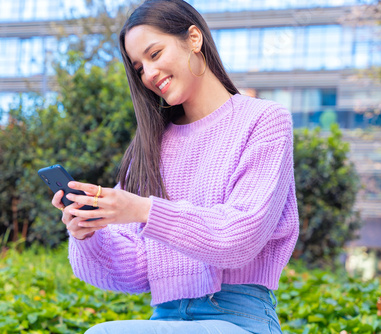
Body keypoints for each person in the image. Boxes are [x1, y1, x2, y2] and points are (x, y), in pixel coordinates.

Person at [51, 0, 299, 333]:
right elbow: (135, 272)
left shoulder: (264, 121)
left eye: (154, 54)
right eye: (139, 68)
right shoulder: (150, 146)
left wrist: (143, 210)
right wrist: (89, 234)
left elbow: (239, 238)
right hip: (165, 319)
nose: (149, 74)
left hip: (239, 317)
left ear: (193, 38)